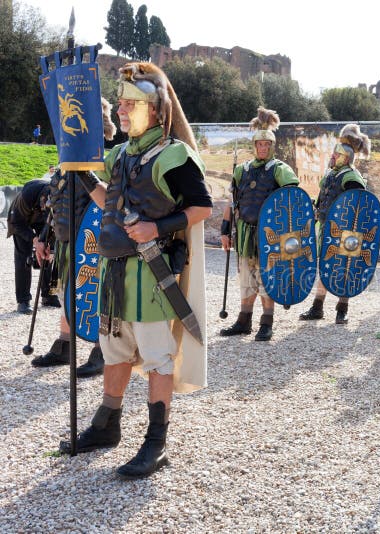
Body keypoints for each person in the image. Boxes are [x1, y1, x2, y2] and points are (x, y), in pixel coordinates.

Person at [61, 62, 212, 479]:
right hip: (114, 271)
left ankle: (156, 443)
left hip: (151, 272)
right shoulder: (122, 154)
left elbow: (202, 207)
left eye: (131, 103)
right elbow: (109, 199)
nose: (123, 110)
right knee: (115, 351)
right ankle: (107, 424)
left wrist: (157, 227)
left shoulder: (175, 156)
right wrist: (83, 174)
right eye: (122, 103)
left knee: (158, 357)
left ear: (156, 110)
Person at [31, 98, 118, 375]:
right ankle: (65, 344)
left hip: (97, 244)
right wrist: (45, 237)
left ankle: (103, 350)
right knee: (69, 291)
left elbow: (110, 204)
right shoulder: (63, 165)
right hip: (69, 243)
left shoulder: (106, 163)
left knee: (99, 295)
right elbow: (56, 205)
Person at [219, 107, 300, 340]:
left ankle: (267, 322)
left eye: (267, 145)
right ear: (254, 146)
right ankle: (244, 320)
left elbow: (293, 199)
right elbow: (232, 202)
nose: (263, 148)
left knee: (267, 277)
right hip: (244, 231)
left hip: (269, 235)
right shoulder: (241, 170)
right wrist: (225, 231)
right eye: (259, 145)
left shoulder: (280, 169)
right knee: (246, 276)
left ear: (272, 146)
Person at [299, 124, 370, 325]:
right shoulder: (331, 175)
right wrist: (316, 209)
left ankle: (342, 309)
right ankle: (317, 307)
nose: (332, 157)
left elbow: (359, 205)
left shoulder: (352, 177)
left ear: (345, 158)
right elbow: (323, 198)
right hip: (327, 229)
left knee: (345, 269)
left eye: (335, 154)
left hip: (347, 232)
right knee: (326, 267)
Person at [6, 177, 56, 314]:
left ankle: (48, 295)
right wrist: (35, 240)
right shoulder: (27, 195)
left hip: (43, 220)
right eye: (44, 203)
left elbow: (54, 224)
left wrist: (46, 244)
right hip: (20, 220)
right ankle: (23, 301)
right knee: (24, 258)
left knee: (48, 254)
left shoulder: (58, 197)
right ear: (42, 197)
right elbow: (16, 223)